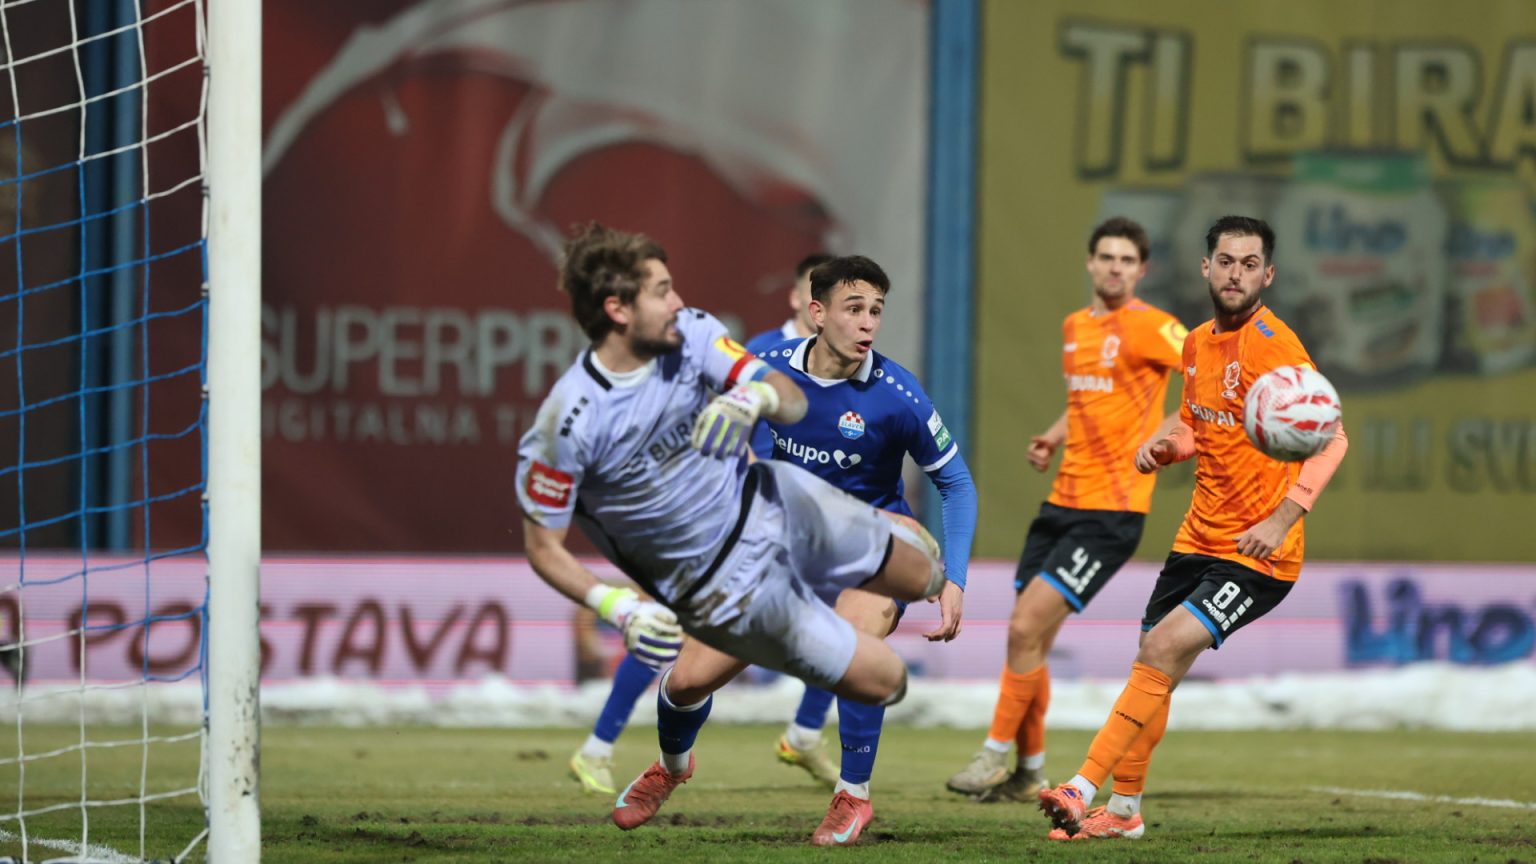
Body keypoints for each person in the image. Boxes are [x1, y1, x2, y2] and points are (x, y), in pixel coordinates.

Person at [517, 222, 946, 825]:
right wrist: (617, 606)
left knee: (925, 573)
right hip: (727, 577)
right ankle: (672, 765)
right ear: (618, 309)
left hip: (782, 505)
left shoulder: (692, 332)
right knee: (700, 686)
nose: (677, 301)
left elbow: (788, 395)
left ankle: (850, 780)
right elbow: (543, 547)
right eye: (661, 291)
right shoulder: (567, 423)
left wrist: (758, 397)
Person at [1036, 215, 1348, 840]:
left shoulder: (1274, 345)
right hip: (1197, 538)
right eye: (1226, 261)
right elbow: (1198, 424)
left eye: (1250, 264)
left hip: (1258, 552)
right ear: (1207, 267)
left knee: (1159, 651)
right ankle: (1124, 813)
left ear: (1268, 274)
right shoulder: (1198, 342)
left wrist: (1281, 519)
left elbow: (1333, 437)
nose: (1236, 274)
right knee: (1154, 669)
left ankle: (1080, 787)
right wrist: (1168, 446)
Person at [945, 217, 1186, 803]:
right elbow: (1086, 401)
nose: (1115, 268)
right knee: (1030, 642)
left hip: (1111, 513)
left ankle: (993, 753)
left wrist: (1169, 434)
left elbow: (1207, 384)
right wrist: (1054, 437)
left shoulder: (1155, 327)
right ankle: (1029, 773)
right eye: (1107, 257)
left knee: (1023, 627)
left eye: (1127, 260)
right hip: (1060, 503)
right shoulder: (1076, 326)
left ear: (1142, 270)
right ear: (1090, 262)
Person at [744, 253, 834, 356]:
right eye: (817, 293)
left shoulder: (847, 351)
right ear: (796, 299)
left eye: (833, 295)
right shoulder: (761, 351)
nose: (826, 303)